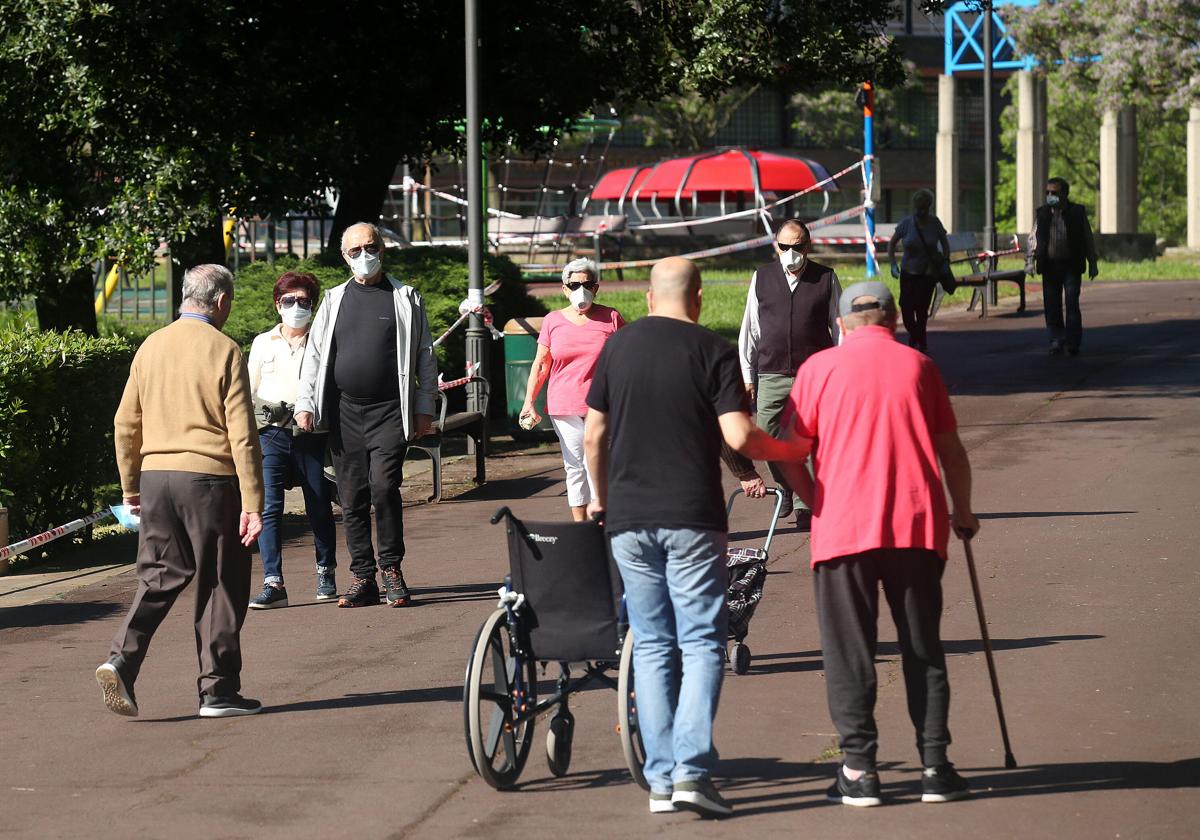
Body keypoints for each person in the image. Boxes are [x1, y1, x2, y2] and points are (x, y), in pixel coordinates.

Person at [584, 257, 809, 819]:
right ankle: (690, 773)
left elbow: (594, 434)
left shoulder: (618, 347)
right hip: (692, 517)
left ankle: (661, 780)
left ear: (647, 296)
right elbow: (738, 434)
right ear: (701, 297)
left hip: (629, 520)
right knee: (702, 643)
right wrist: (791, 451)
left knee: (653, 644)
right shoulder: (712, 350)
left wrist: (601, 496)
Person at [777, 281, 979, 807]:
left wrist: (815, 498)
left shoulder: (817, 370)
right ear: (893, 320)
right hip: (915, 526)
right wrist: (963, 511)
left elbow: (789, 453)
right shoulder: (920, 367)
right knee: (923, 648)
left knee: (850, 654)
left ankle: (861, 771)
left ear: (841, 324)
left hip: (842, 530)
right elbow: (951, 451)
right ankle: (935, 766)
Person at [97, 264, 265, 719]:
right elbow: (243, 435)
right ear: (222, 302)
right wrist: (254, 502)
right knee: (221, 580)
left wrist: (130, 486)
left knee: (158, 575)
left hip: (155, 477)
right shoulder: (225, 349)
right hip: (209, 479)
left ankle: (121, 660)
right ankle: (218, 691)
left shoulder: (150, 346)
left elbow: (124, 423)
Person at [294, 223, 437, 608]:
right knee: (352, 496)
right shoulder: (334, 298)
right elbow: (316, 355)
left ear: (383, 248)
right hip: (345, 412)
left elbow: (424, 355)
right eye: (354, 250)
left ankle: (391, 569)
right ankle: (362, 577)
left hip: (390, 409)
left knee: (384, 487)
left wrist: (426, 407)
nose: (363, 255)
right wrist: (305, 403)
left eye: (369, 247)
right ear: (344, 256)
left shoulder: (405, 297)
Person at [738, 219, 841, 529]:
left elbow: (839, 328)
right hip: (771, 371)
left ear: (807, 247)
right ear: (776, 246)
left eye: (797, 247)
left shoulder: (826, 278)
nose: (790, 253)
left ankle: (802, 503)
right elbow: (751, 328)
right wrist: (746, 374)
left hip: (815, 373)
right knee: (767, 434)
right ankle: (785, 485)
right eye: (784, 247)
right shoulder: (762, 277)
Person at [246, 271, 338, 609]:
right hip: (271, 435)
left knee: (318, 505)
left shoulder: (324, 341)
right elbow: (247, 391)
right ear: (277, 304)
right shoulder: (262, 343)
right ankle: (273, 582)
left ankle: (326, 571)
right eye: (289, 300)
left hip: (311, 435)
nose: (296, 307)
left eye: (303, 301)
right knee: (269, 508)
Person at [519, 257, 624, 520]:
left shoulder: (611, 318)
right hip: (564, 405)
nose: (582, 289)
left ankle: (603, 522)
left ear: (596, 288)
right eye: (575, 284)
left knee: (600, 464)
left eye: (588, 284)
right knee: (575, 464)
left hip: (602, 405)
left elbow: (627, 359)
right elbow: (541, 364)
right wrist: (528, 402)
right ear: (565, 288)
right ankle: (581, 526)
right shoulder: (553, 320)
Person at [1026, 177, 1099, 355]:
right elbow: (1033, 238)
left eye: (1055, 193)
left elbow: (1087, 238)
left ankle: (1073, 342)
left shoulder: (1077, 212)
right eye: (1048, 193)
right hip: (1049, 265)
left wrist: (1092, 262)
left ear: (1065, 194)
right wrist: (1030, 260)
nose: (1050, 196)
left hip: (1071, 265)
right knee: (1052, 305)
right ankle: (1057, 339)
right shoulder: (1042, 213)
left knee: (1072, 303)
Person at [887, 188, 951, 353]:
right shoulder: (907, 223)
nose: (921, 211)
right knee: (907, 309)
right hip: (908, 273)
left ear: (929, 207)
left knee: (922, 310)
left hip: (927, 274)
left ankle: (920, 342)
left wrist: (945, 261)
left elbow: (945, 243)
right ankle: (916, 335)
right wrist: (893, 263)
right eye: (919, 208)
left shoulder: (935, 223)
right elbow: (892, 244)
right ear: (915, 207)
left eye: (924, 208)